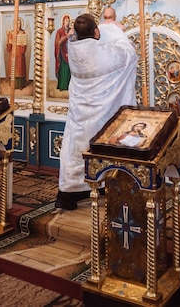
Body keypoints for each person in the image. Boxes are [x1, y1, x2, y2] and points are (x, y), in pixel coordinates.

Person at [55, 13, 138, 210]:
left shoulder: (73, 50)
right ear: (96, 31)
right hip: (102, 117)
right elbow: (129, 54)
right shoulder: (106, 53)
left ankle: (68, 193)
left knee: (75, 151)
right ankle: (102, 182)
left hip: (79, 117)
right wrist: (114, 29)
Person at [6, 18, 27, 89]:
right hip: (13, 52)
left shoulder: (22, 32)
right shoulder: (11, 32)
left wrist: (22, 46)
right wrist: (8, 39)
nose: (18, 25)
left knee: (20, 68)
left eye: (19, 23)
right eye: (17, 23)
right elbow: (9, 46)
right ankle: (13, 85)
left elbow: (24, 43)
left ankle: (20, 85)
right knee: (13, 67)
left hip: (20, 52)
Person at [54, 14, 71, 91]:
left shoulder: (71, 30)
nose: (67, 22)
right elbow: (58, 42)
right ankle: (62, 86)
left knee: (69, 70)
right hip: (62, 53)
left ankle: (68, 85)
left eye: (68, 21)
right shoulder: (59, 31)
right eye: (66, 21)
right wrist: (66, 37)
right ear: (63, 22)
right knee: (63, 70)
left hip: (70, 52)